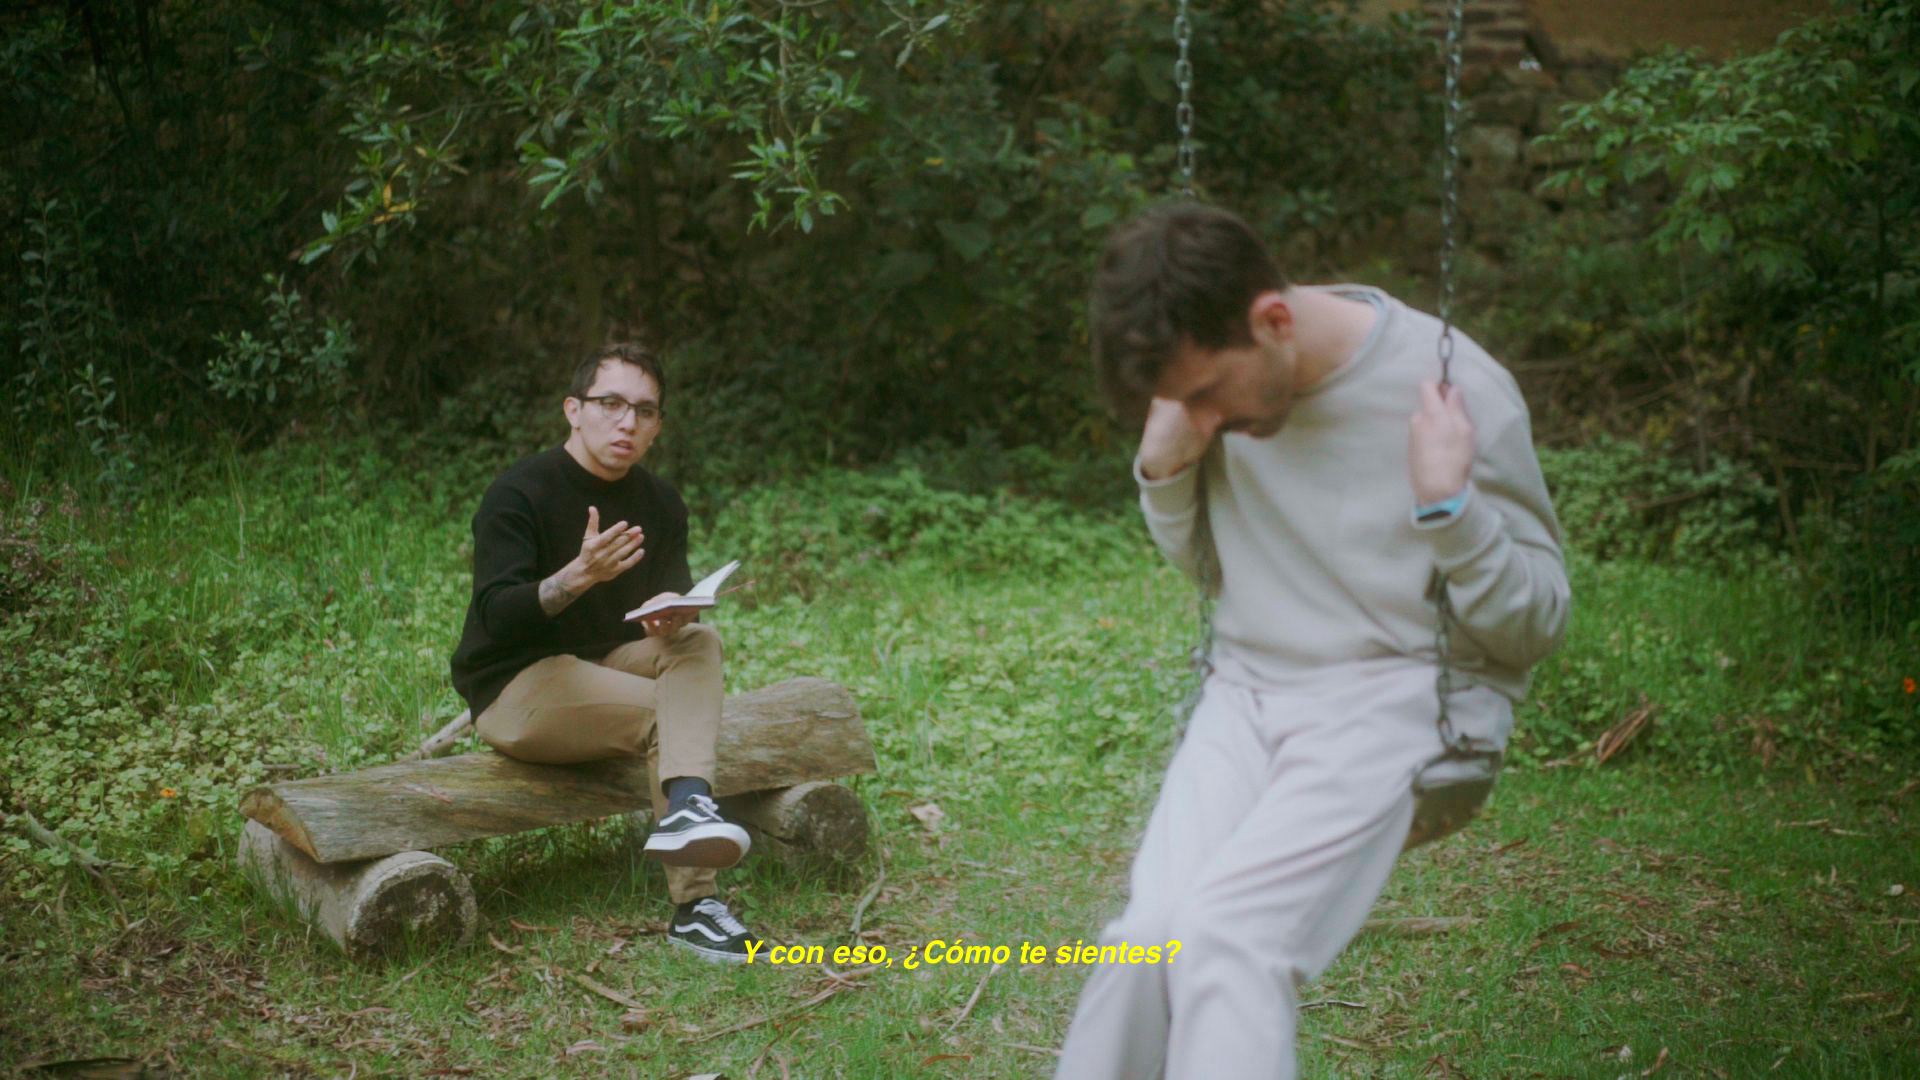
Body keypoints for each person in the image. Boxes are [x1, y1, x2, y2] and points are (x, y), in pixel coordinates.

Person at [1054, 203, 1570, 1079]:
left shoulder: (1453, 389)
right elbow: (1216, 570)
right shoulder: (1217, 402)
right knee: (1148, 940)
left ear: (1273, 320)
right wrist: (1166, 473)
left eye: (1204, 394)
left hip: (1398, 698)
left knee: (1228, 940)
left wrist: (1454, 513)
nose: (1199, 417)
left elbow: (1539, 623)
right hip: (1247, 693)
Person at [449, 342, 760, 963]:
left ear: (658, 425)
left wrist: (673, 611)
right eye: (610, 404)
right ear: (574, 409)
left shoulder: (661, 500)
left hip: (607, 666)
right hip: (517, 686)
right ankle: (696, 906)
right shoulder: (518, 492)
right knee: (666, 714)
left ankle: (687, 808)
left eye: (644, 411)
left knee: (698, 641)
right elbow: (496, 616)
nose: (627, 422)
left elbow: (668, 608)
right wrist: (576, 577)